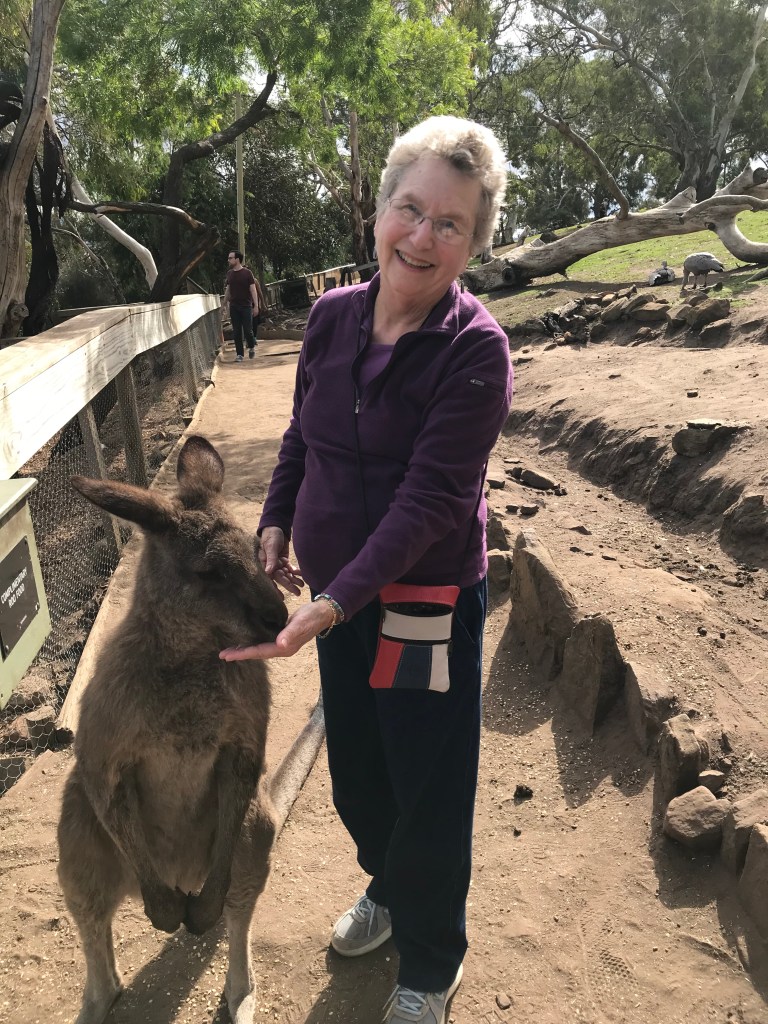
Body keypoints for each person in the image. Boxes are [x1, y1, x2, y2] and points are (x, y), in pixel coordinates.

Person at [221, 116, 512, 1024]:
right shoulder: (332, 316)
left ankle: (431, 959)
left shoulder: (475, 350)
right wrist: (276, 518)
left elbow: (431, 501)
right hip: (336, 601)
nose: (422, 236)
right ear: (380, 212)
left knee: (427, 782)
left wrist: (339, 599)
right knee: (358, 774)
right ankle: (388, 885)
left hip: (421, 601)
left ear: (473, 242)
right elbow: (302, 433)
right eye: (410, 209)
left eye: (450, 223)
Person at [223, 250, 262, 361]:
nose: (228, 260)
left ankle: (251, 347)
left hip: (246, 306)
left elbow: (253, 290)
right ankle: (239, 354)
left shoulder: (247, 273)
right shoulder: (230, 274)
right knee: (236, 332)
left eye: (230, 258)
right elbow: (228, 290)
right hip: (234, 306)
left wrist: (256, 306)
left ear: (237, 259)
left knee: (248, 330)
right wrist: (224, 305)